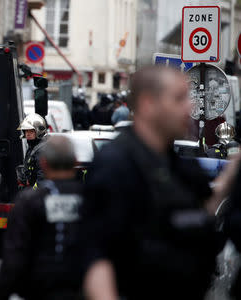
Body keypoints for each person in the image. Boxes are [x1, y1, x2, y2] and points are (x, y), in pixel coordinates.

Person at [82, 66, 241, 300]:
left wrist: (228, 181)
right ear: (148, 104)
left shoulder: (183, 166)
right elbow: (96, 257)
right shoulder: (117, 165)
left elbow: (199, 218)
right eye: (179, 98)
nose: (189, 107)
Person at [0, 136, 84, 300]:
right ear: (75, 162)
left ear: (44, 164)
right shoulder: (94, 202)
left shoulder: (28, 203)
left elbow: (12, 262)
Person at [17, 113, 48, 189]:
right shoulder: (32, 146)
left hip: (39, 192)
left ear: (39, 131)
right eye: (26, 131)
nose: (28, 134)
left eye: (31, 131)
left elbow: (42, 175)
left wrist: (34, 191)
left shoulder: (42, 149)